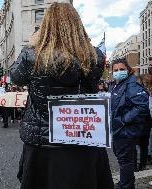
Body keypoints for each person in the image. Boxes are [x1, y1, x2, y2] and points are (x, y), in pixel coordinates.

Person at [11, 3, 113, 189]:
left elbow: (15, 77)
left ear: (46, 26)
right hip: (84, 140)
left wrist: (32, 43)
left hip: (42, 145)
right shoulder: (94, 55)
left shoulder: (31, 55)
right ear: (77, 25)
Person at [110, 58, 149, 189]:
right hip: (119, 130)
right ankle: (126, 182)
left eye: (121, 69)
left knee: (125, 161)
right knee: (123, 159)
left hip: (126, 131)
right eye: (115, 70)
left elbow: (142, 107)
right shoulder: (117, 84)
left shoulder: (131, 85)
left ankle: (126, 186)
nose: (118, 72)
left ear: (128, 70)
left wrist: (123, 120)